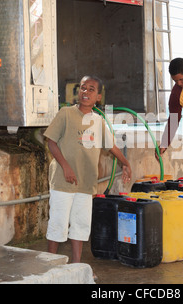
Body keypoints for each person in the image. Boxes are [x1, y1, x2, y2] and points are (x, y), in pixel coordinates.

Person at [43, 75, 132, 262]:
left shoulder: (98, 121)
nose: (85, 92)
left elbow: (112, 146)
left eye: (91, 89)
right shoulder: (66, 113)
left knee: (80, 225)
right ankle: (49, 266)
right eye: (83, 88)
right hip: (63, 180)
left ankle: (76, 265)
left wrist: (126, 163)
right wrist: (66, 167)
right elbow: (51, 142)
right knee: (58, 223)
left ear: (98, 97)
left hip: (86, 182)